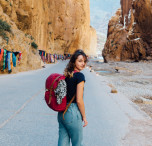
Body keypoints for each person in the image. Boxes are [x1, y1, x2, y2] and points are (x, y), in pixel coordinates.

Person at [58, 49, 88, 146]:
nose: (83, 63)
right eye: (80, 61)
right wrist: (84, 116)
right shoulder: (80, 76)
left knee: (63, 142)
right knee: (77, 144)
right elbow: (79, 100)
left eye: (84, 61)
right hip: (73, 113)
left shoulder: (66, 75)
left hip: (62, 113)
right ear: (74, 62)